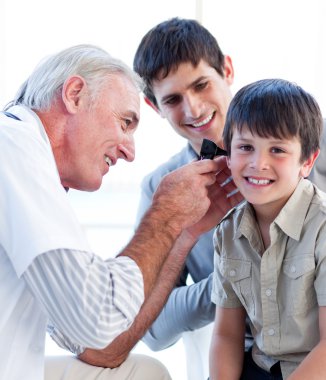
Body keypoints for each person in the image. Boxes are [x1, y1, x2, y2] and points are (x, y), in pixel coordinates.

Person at [77, 17, 326, 380]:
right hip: (248, 357)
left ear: (227, 69)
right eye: (173, 99)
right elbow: (155, 327)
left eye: (201, 85)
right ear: (153, 105)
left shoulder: (302, 134)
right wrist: (235, 277)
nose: (193, 109)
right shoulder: (162, 188)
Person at [0, 43, 240, 380]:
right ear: (74, 94)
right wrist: (164, 217)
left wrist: (182, 233)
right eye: (125, 122)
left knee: (144, 372)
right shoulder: (14, 148)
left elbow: (102, 348)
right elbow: (99, 319)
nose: (130, 152)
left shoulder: (32, 170)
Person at [209, 78, 326, 380]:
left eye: (277, 150)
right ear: (228, 152)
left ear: (307, 161)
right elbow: (226, 336)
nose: (258, 163)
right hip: (262, 367)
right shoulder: (227, 232)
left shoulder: (322, 226)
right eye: (245, 147)